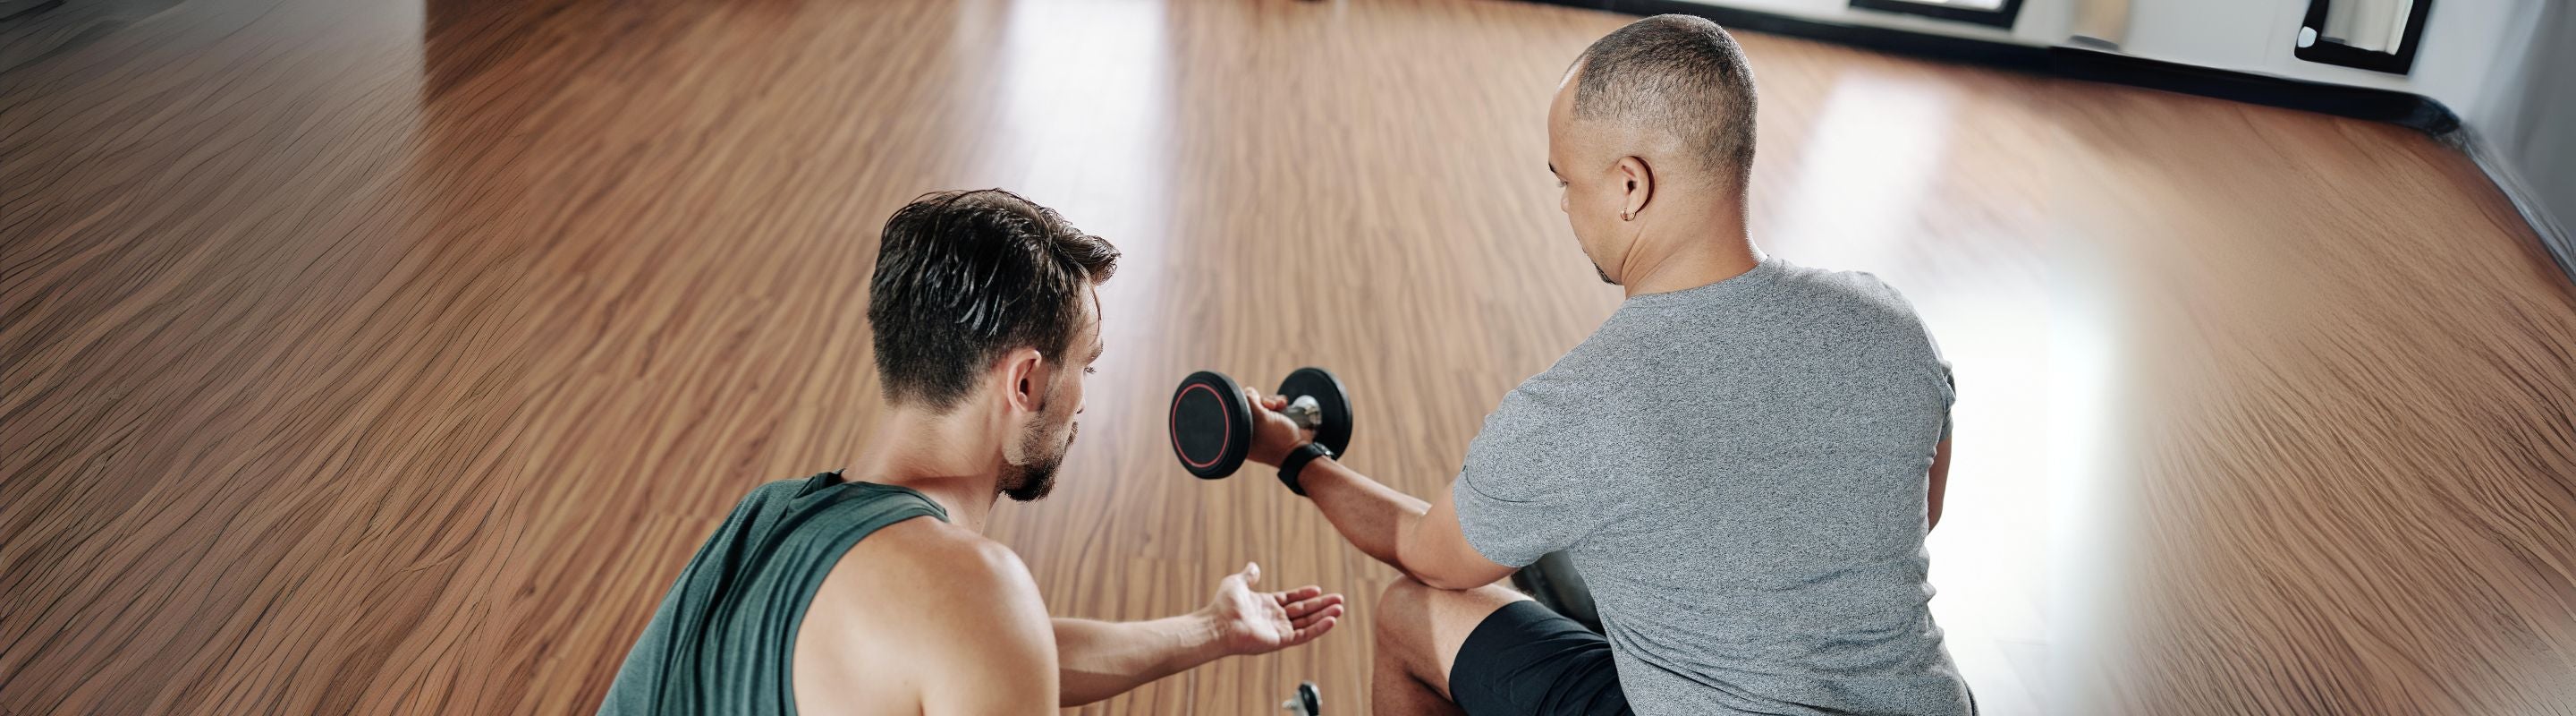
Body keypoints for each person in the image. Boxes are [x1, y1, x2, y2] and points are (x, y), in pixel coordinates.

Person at [1236, 15, 1970, 716]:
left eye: (1565, 180)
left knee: (1411, 612)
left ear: (1629, 185)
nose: (1561, 205)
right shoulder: (1892, 322)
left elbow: (1428, 556)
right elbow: (1918, 513)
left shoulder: (1584, 406)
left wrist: (1296, 456)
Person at [599, 189, 1346, 715]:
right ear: (1026, 380)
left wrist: (1211, 630)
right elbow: (981, 635)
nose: (1085, 396)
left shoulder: (767, 517)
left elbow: (986, 655)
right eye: (1088, 365)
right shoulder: (972, 592)